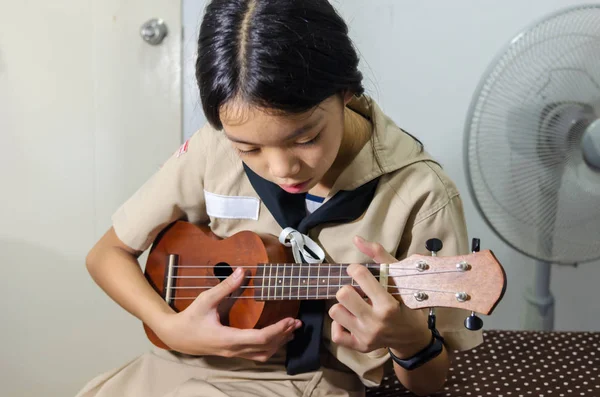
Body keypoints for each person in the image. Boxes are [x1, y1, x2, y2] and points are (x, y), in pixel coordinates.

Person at [75, 0, 483, 396]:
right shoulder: (213, 149)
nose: (282, 168)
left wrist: (410, 343)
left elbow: (429, 381)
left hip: (307, 378)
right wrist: (168, 326)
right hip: (180, 360)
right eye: (248, 148)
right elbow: (107, 254)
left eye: (305, 138)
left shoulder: (422, 195)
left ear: (345, 91)